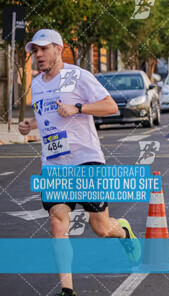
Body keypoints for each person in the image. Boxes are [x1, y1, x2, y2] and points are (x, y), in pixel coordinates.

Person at [18, 29, 140, 296]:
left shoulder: (77, 76)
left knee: (100, 227)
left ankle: (124, 233)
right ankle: (67, 290)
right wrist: (29, 125)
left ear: (59, 49)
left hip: (86, 159)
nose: (38, 55)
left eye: (43, 49)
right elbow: (47, 117)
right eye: (35, 51)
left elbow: (110, 106)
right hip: (54, 163)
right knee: (57, 220)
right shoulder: (37, 83)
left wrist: (79, 108)